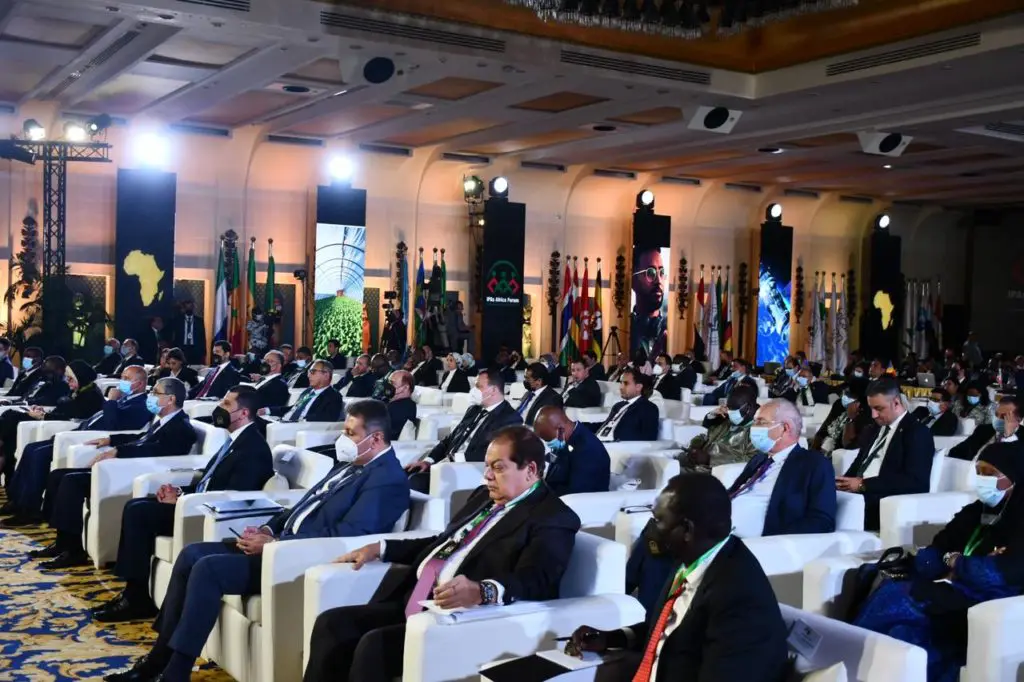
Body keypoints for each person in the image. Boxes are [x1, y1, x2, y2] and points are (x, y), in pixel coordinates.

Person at [104, 401, 412, 682]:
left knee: (208, 569)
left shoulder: (387, 479)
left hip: (296, 558)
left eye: (351, 433)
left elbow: (350, 535)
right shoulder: (350, 463)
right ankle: (158, 659)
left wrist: (275, 543)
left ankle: (175, 672)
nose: (343, 439)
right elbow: (301, 508)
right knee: (191, 554)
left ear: (376, 438)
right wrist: (265, 528)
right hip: (279, 543)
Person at [303, 426, 581, 682]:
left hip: (460, 618)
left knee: (373, 646)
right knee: (332, 623)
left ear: (530, 470)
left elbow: (537, 578)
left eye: (498, 468)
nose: (487, 476)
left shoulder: (553, 517)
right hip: (415, 601)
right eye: (487, 466)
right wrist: (382, 548)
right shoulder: (484, 496)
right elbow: (444, 543)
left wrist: (482, 591)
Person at [570, 474, 788, 682]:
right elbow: (670, 631)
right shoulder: (692, 558)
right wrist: (613, 638)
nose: (650, 529)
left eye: (658, 520)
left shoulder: (738, 599)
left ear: (686, 530)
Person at [90, 385, 274, 623]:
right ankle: (131, 591)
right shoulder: (233, 440)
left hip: (209, 515)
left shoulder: (253, 447)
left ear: (244, 413)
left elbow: (234, 495)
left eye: (227, 404)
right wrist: (179, 492)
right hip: (196, 503)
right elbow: (209, 481)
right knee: (137, 505)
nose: (219, 407)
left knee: (139, 513)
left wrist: (183, 500)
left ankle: (136, 599)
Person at [854, 443, 1024, 682]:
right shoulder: (974, 512)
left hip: (986, 605)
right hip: (951, 591)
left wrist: (956, 561)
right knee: (898, 629)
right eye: (979, 472)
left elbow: (993, 575)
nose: (982, 479)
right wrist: (956, 560)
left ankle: (848, 657)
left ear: (1014, 477)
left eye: (990, 473)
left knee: (896, 597)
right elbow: (929, 559)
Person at [34, 378, 197, 568]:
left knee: (71, 482)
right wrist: (111, 440)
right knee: (58, 475)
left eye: (156, 393)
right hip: (124, 468)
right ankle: (62, 542)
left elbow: (157, 450)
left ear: (171, 399)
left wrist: (119, 451)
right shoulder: (164, 420)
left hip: (131, 473)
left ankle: (73, 551)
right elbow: (142, 438)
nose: (151, 397)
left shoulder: (181, 427)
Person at [0, 366, 151, 524]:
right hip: (79, 433)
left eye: (127, 379)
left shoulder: (142, 404)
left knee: (39, 454)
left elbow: (112, 425)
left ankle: (29, 509)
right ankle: (17, 501)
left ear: (140, 384)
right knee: (31, 448)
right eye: (122, 377)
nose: (122, 382)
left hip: (91, 440)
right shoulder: (124, 398)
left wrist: (112, 401)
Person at [726, 399, 837, 537]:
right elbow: (733, 491)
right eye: (754, 422)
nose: (753, 427)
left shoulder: (814, 464)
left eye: (760, 422)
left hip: (757, 541)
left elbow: (822, 521)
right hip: (718, 527)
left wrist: (776, 539)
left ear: (785, 428)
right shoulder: (759, 459)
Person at [837, 377, 935, 531]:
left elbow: (916, 482)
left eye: (879, 408)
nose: (874, 415)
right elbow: (860, 463)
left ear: (896, 403)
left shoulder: (916, 432)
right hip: (857, 495)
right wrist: (842, 483)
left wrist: (863, 485)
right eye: (871, 408)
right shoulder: (875, 428)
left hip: (880, 500)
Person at [405, 369, 521, 493]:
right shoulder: (474, 410)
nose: (473, 391)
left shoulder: (509, 418)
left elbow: (495, 453)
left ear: (493, 390)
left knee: (414, 481)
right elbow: (449, 439)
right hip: (442, 465)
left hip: (465, 469)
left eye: (479, 386)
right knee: (404, 472)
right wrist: (428, 461)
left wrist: (456, 458)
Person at [681, 383, 758, 473]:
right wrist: (694, 446)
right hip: (697, 466)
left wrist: (710, 459)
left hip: (716, 473)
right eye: (728, 408)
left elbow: (751, 461)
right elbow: (706, 435)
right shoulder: (728, 421)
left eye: (733, 408)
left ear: (748, 408)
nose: (729, 412)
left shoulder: (758, 432)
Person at [533, 405, 610, 495]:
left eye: (548, 439)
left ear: (560, 429)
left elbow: (577, 493)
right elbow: (555, 465)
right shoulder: (564, 440)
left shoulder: (588, 450)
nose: (548, 443)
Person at [265, 360, 343, 422]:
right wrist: (268, 410)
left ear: (326, 375)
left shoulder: (333, 396)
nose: (308, 375)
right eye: (309, 372)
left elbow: (327, 418)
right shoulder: (308, 391)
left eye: (313, 372)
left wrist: (301, 420)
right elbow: (294, 409)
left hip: (299, 428)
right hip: (283, 422)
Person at [593, 368, 660, 442]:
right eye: (621, 383)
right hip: (598, 441)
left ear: (638, 387)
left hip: (618, 445)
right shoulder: (618, 406)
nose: (621, 387)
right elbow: (606, 425)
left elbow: (649, 439)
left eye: (626, 383)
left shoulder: (648, 408)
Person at [811, 380, 874, 457]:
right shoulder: (839, 404)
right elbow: (823, 430)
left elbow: (847, 444)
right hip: (823, 448)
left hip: (838, 455)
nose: (844, 396)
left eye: (848, 394)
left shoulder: (866, 414)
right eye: (844, 393)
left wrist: (851, 418)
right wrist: (812, 452)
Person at [949, 395, 1021, 461]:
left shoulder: (1021, 440)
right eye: (996, 414)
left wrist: (1009, 436)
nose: (998, 419)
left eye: (1004, 416)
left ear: (1019, 420)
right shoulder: (984, 429)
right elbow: (956, 451)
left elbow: (1011, 464)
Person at [629, 246, 668, 359]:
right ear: (633, 280)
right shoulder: (627, 329)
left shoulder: (667, 330)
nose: (659, 281)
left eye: (661, 272)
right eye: (651, 273)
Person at [517, 362, 563, 427]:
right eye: (525, 378)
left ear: (539, 381)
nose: (525, 381)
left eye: (528, 379)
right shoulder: (528, 394)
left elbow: (550, 424)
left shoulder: (553, 398)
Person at [171, 299, 207, 366]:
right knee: (182, 367)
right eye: (187, 305)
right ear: (184, 307)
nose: (189, 307)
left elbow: (202, 337)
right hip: (182, 349)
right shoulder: (177, 320)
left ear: (193, 307)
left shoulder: (199, 321)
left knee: (195, 368)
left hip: (195, 350)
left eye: (191, 306)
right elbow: (174, 336)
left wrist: (203, 352)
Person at [385, 370, 417, 441]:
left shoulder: (404, 408)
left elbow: (389, 434)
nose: (388, 386)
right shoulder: (391, 403)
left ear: (405, 387)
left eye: (392, 383)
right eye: (389, 383)